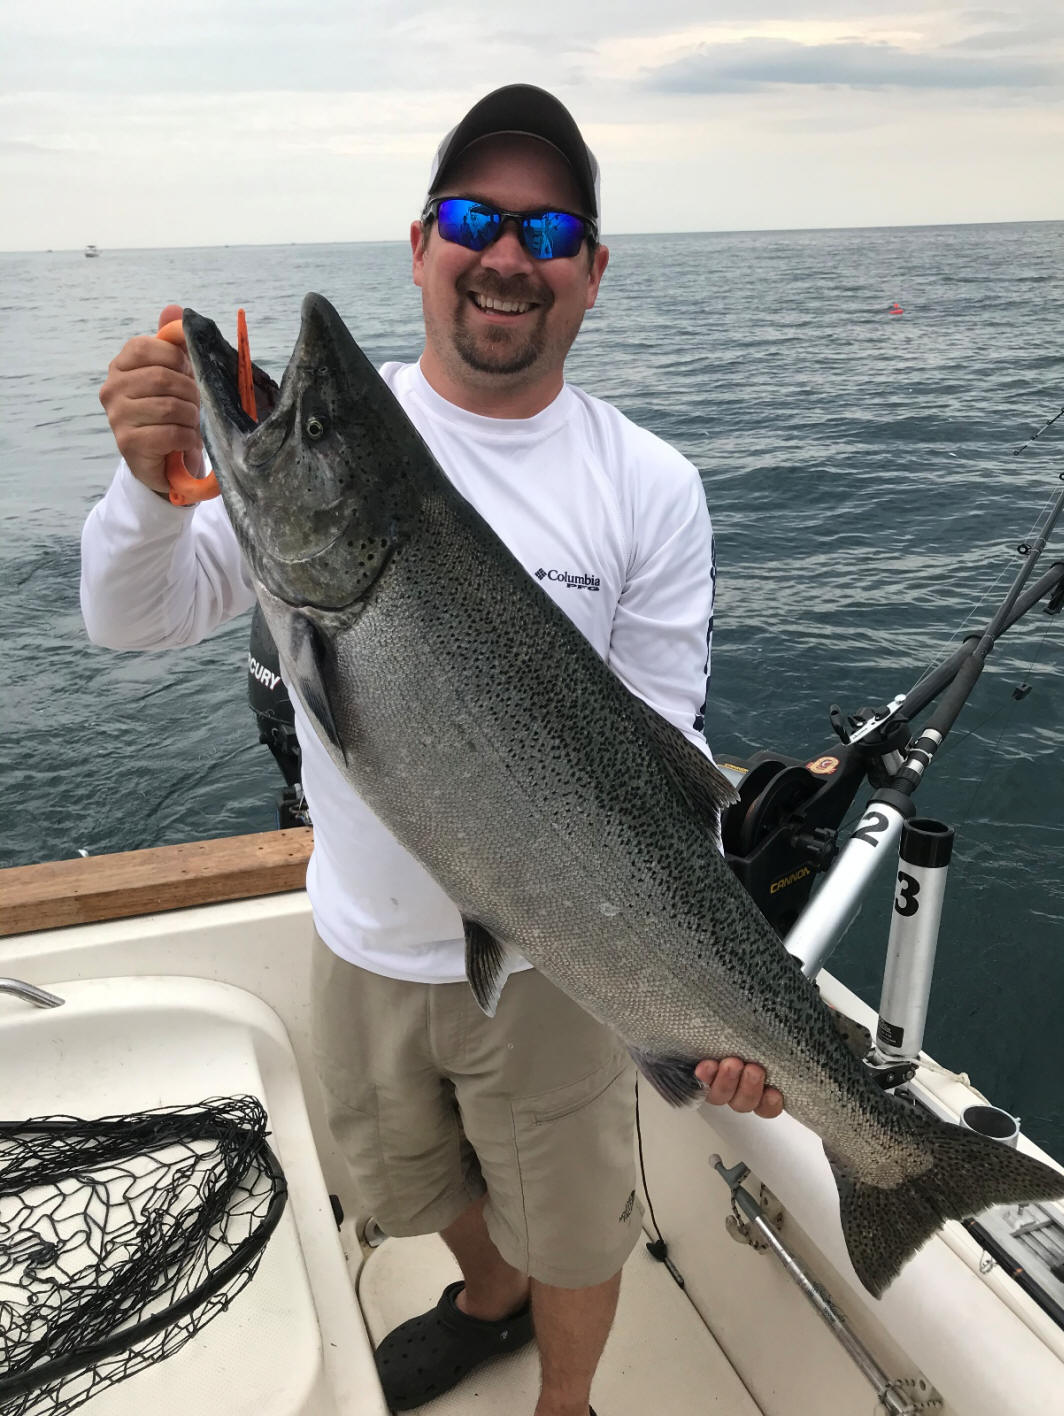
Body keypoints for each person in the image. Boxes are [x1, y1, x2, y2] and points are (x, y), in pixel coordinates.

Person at [82, 84, 783, 1416]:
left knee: (574, 1227)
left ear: (591, 272)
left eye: (549, 230)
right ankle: (487, 1295)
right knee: (404, 1187)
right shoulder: (342, 459)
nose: (508, 253)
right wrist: (144, 483)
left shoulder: (648, 485)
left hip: (565, 963)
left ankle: (564, 1402)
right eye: (473, 219)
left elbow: (665, 765)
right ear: (421, 247)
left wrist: (710, 1001)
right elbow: (131, 617)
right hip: (360, 941)